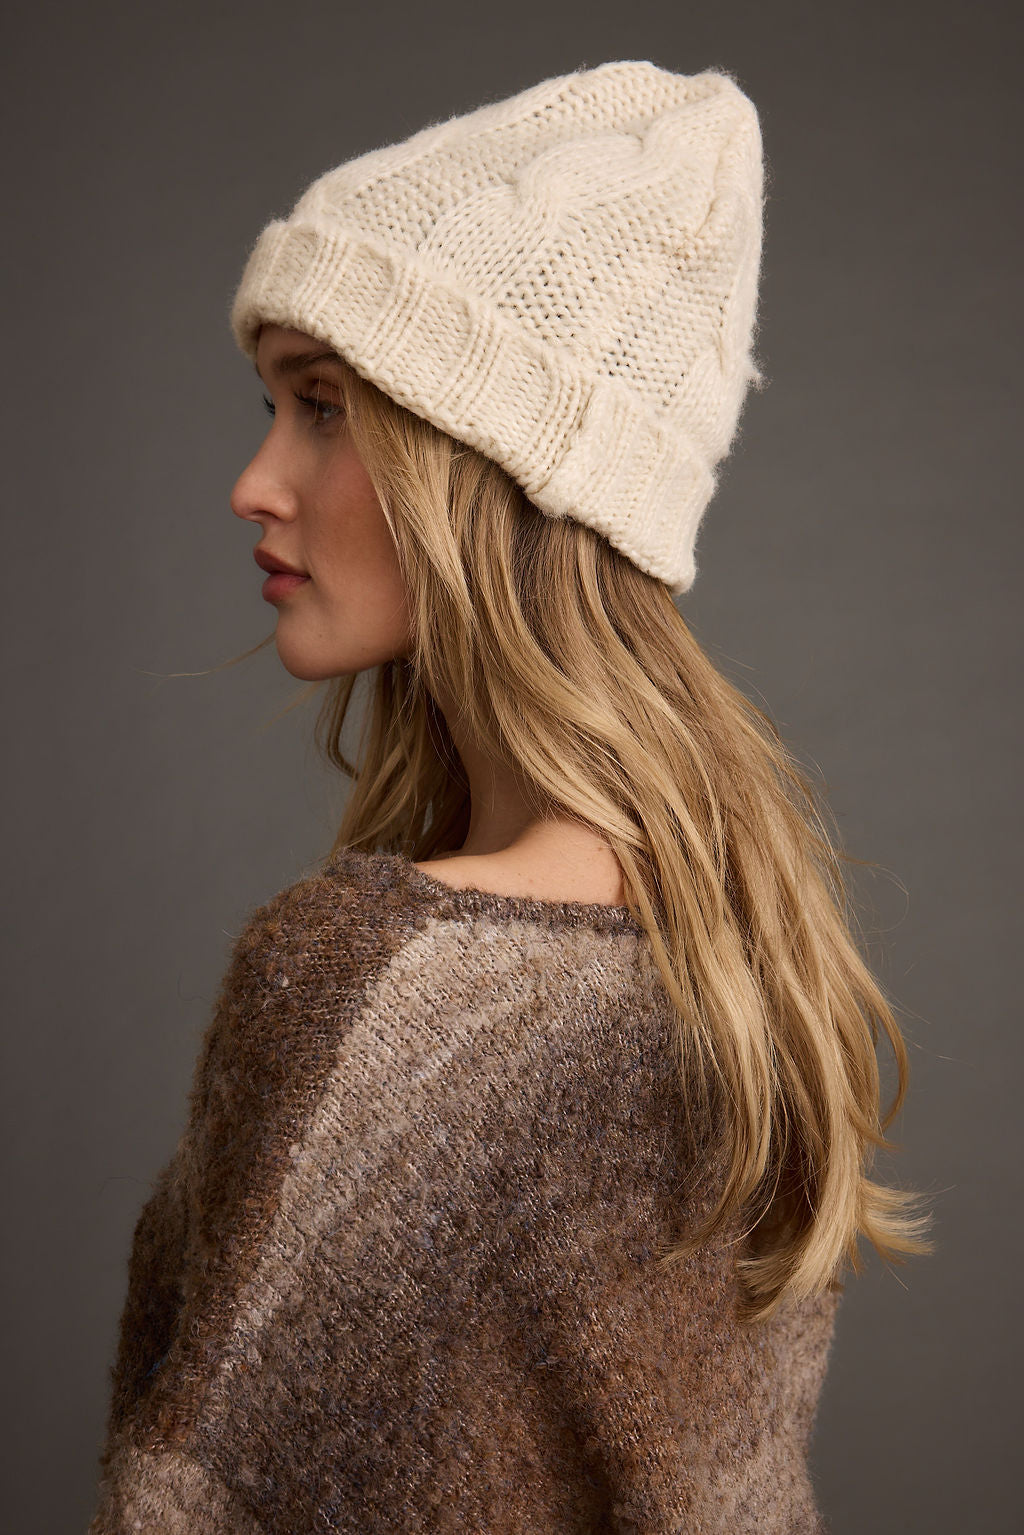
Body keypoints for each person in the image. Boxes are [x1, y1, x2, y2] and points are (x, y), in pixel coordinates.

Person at [86, 60, 931, 1533]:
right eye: (270, 403)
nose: (255, 481)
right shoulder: (747, 969)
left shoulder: (356, 978)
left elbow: (190, 1501)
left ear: (488, 465)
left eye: (323, 407)